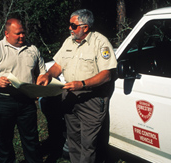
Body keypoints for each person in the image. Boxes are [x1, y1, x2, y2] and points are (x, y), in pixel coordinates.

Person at [37, 9, 117, 163]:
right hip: (70, 97)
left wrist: (82, 84)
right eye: (70, 25)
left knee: (88, 144)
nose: (69, 28)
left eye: (73, 25)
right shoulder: (69, 42)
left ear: (85, 27)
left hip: (91, 99)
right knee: (73, 140)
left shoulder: (100, 43)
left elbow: (106, 75)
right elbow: (58, 65)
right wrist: (48, 75)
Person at [0, 17, 46, 163]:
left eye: (23, 32)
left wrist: (41, 81)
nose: (22, 36)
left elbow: (41, 71)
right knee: (4, 141)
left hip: (26, 101)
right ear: (7, 33)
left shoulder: (32, 49)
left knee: (31, 140)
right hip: (1, 101)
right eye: (17, 34)